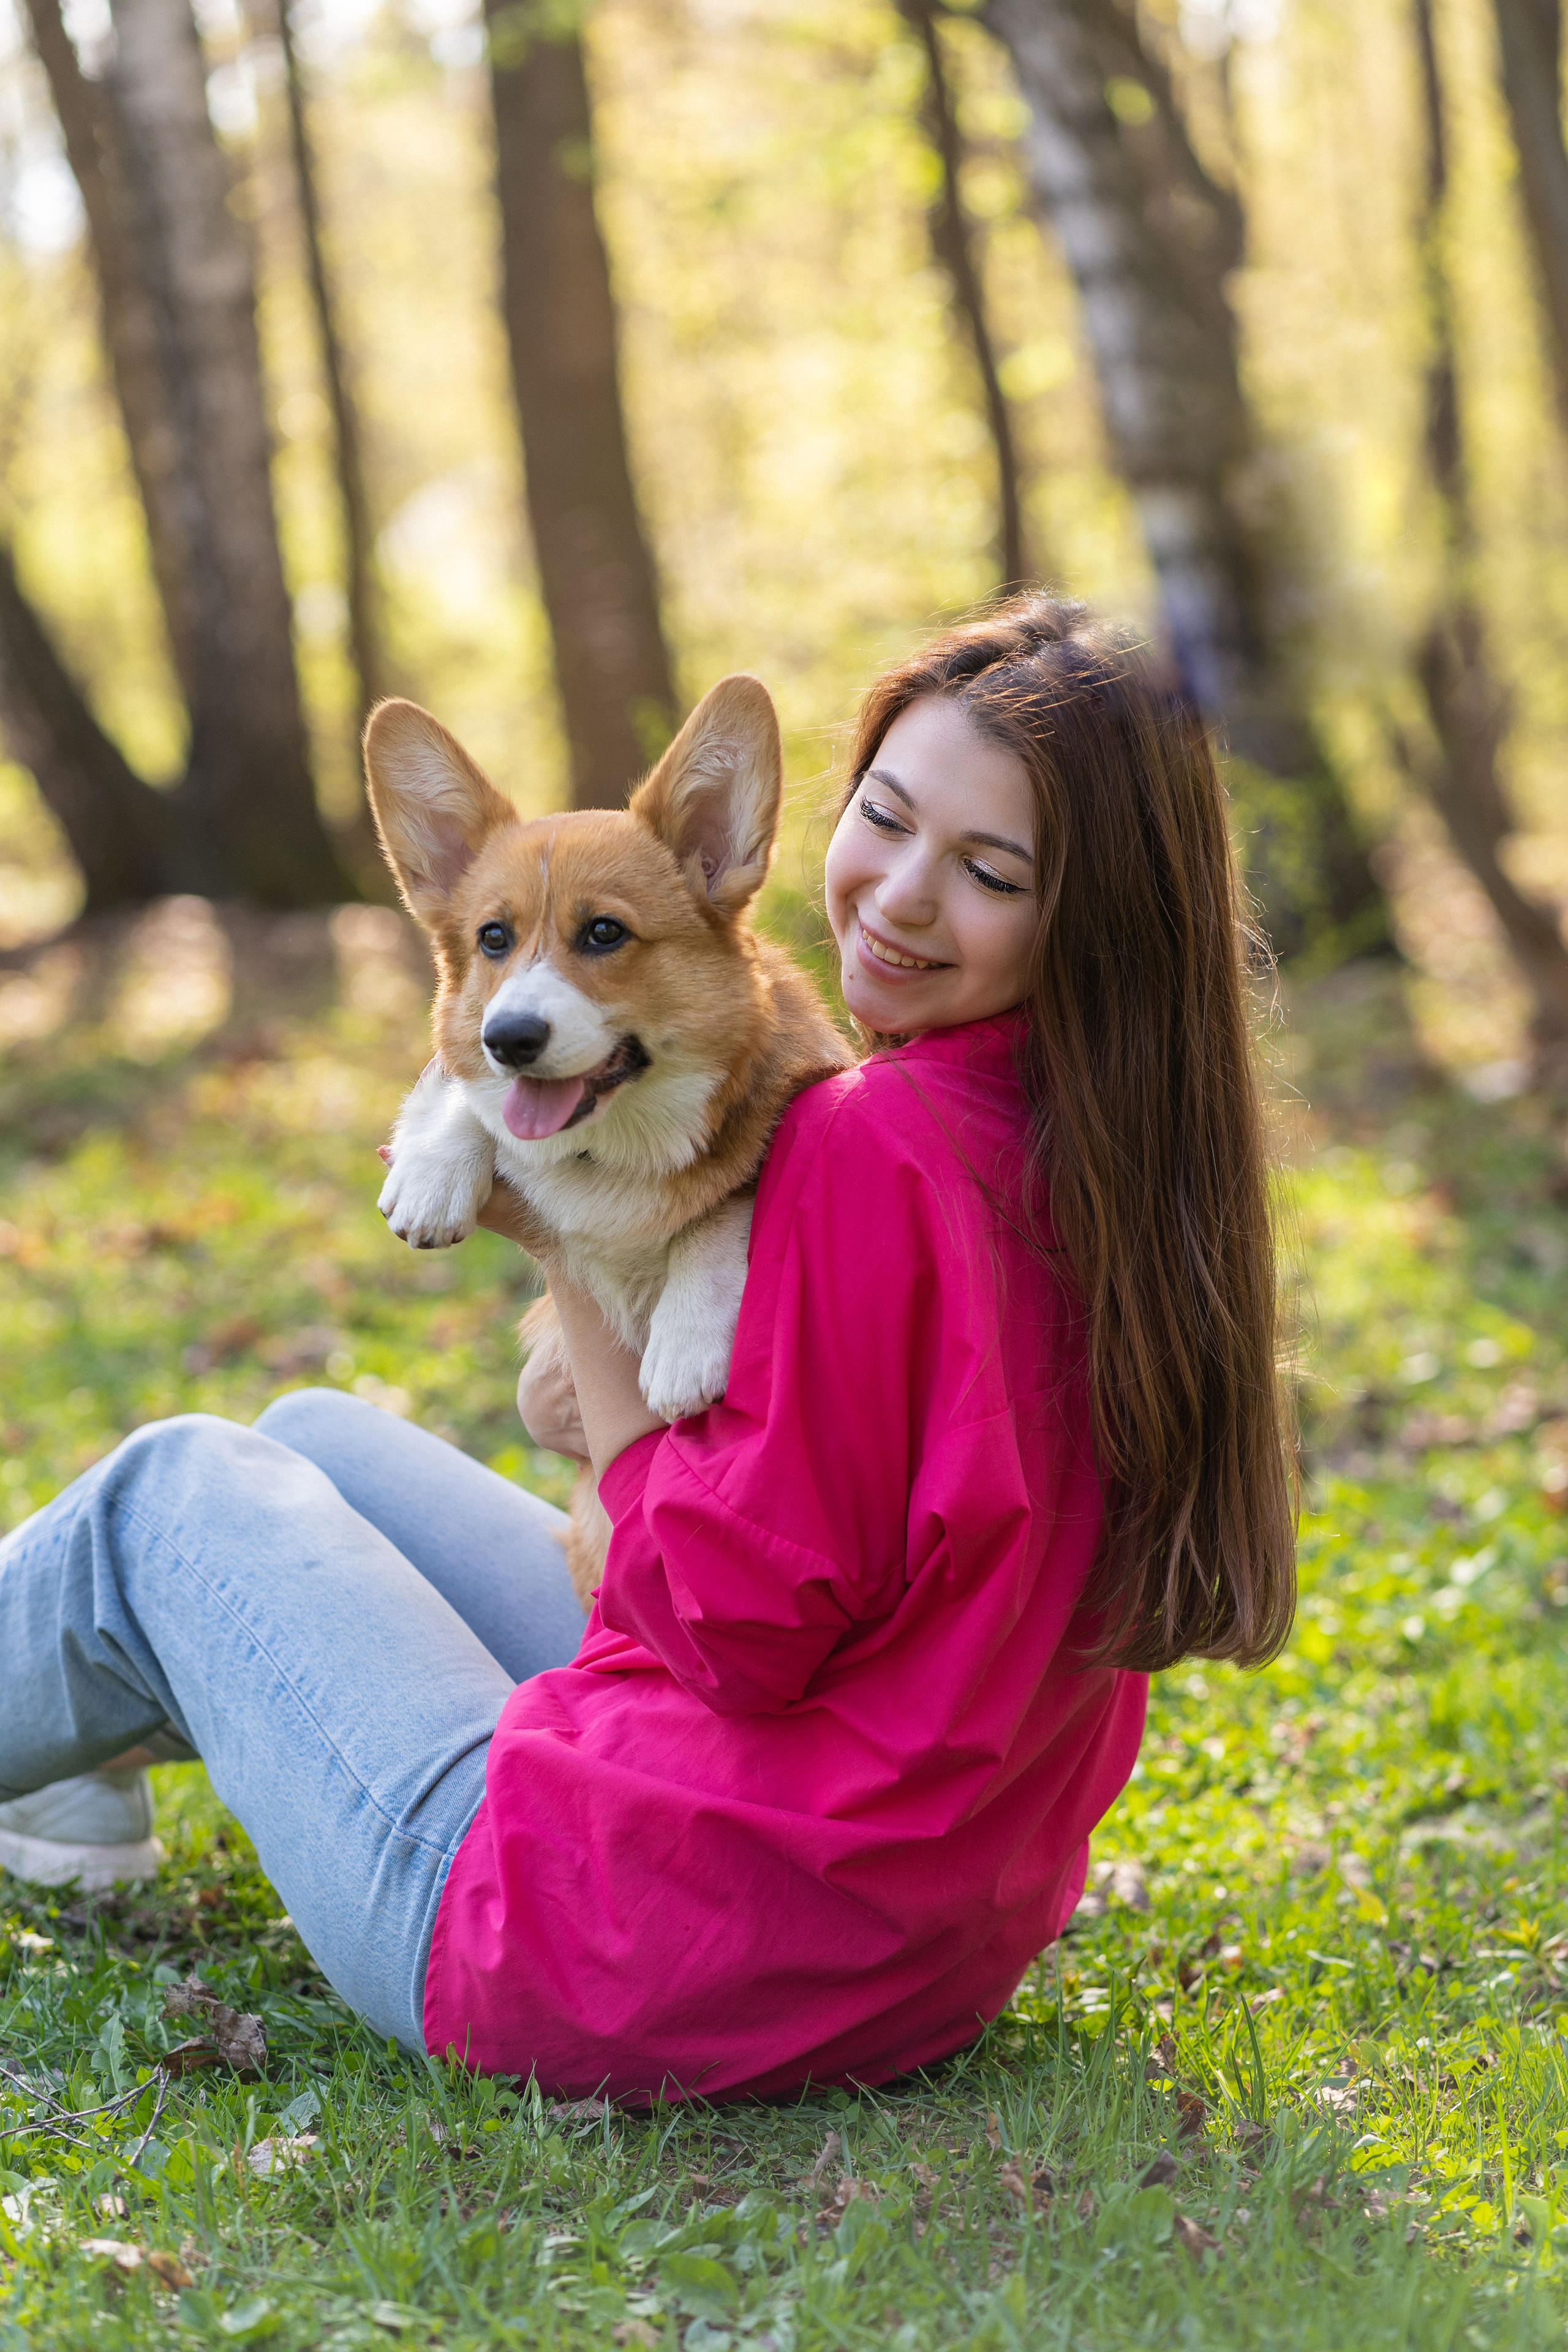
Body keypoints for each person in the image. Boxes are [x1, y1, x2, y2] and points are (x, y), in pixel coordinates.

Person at [0, 595, 1294, 2099]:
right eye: (883, 817)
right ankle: (77, 1788)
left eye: (989, 871)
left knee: (172, 1496)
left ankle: (70, 1753)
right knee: (311, 1447)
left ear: (1091, 915)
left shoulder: (871, 1147)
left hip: (618, 1950)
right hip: (898, 1938)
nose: (901, 899)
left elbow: (727, 1619)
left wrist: (554, 1247)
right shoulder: (1103, 1154)